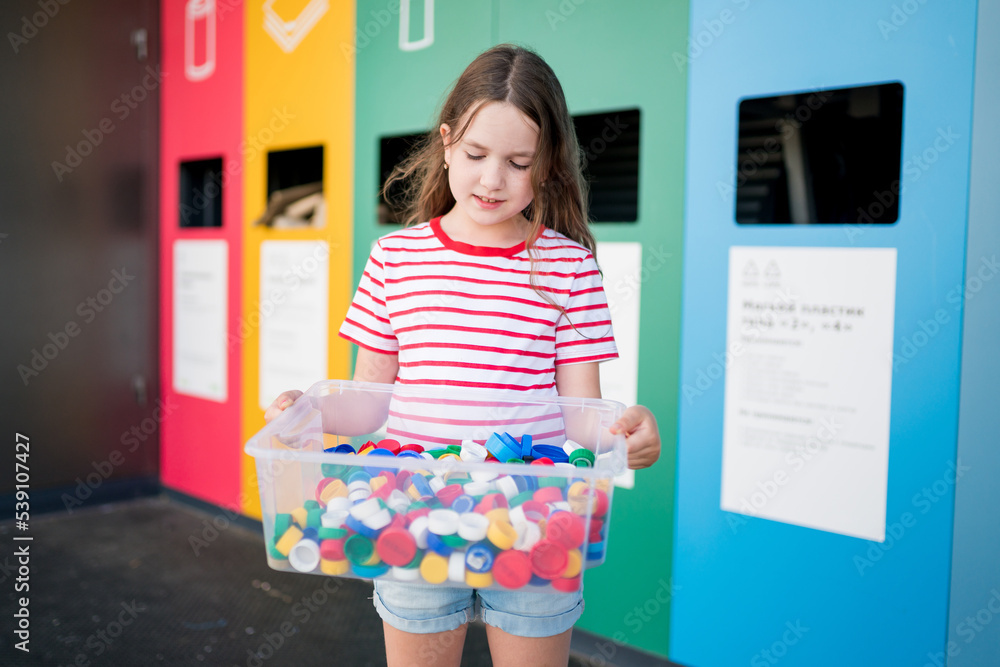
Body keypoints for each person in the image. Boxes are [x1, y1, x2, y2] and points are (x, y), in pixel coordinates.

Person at [264, 43, 660, 667]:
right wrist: (306, 415)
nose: (492, 179)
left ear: (547, 166)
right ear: (447, 143)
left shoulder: (569, 267)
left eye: (518, 162)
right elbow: (367, 405)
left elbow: (583, 415)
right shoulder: (397, 259)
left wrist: (628, 430)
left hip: (537, 518)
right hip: (412, 509)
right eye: (475, 155)